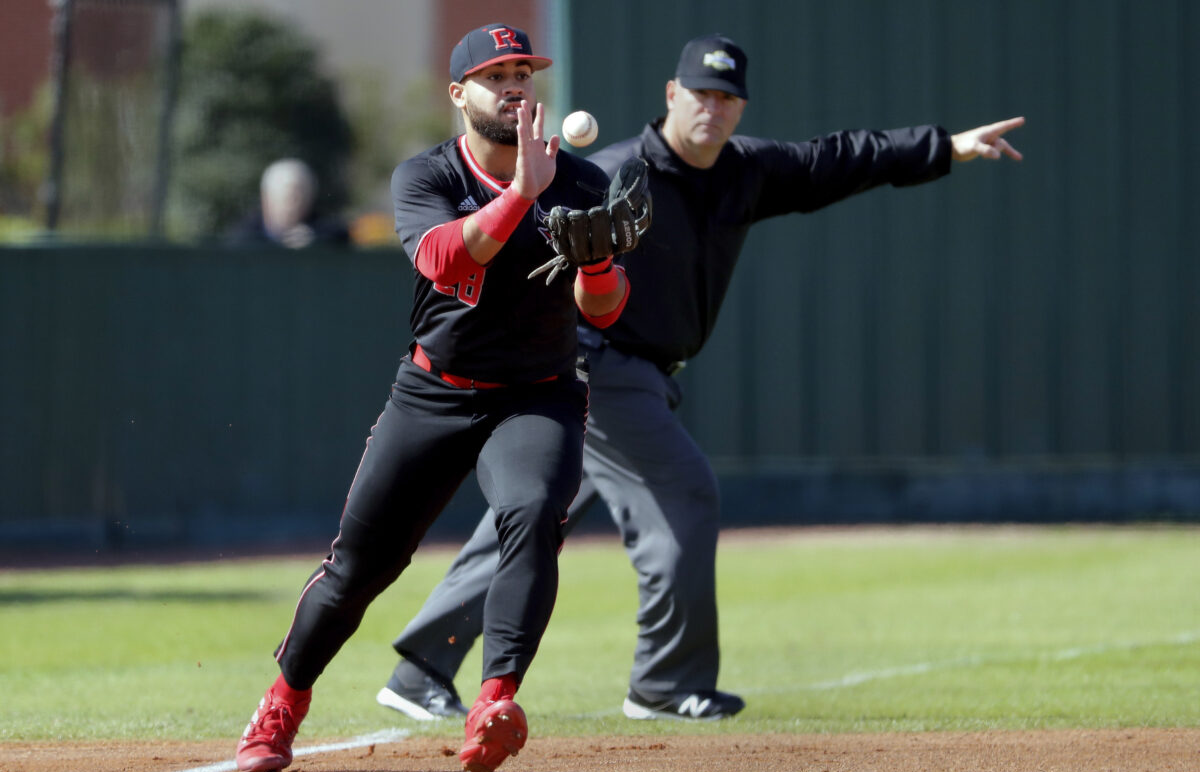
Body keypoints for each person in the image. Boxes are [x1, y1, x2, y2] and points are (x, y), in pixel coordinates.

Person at [375, 33, 1025, 723]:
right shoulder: (615, 172)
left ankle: (421, 668)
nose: (711, 109)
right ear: (671, 96)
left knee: (533, 522)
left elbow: (836, 160)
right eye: (700, 94)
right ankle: (663, 682)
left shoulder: (744, 170)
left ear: (739, 107)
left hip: (638, 371)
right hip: (597, 362)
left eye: (726, 97)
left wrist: (945, 147)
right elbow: (523, 254)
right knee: (683, 492)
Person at [235, 22, 637, 772]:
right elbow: (445, 257)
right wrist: (524, 192)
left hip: (537, 395)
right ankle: (284, 699)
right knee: (360, 566)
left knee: (531, 513)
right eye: (496, 75)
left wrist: (601, 260)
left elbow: (607, 310)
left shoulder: (580, 182)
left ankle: (495, 699)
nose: (516, 85)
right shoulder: (425, 177)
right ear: (460, 95)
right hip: (436, 392)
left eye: (524, 71)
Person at [225, 158, 350, 248]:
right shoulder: (246, 235)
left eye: (303, 196)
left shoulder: (321, 227)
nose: (295, 205)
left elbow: (342, 236)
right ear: (267, 199)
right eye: (289, 197)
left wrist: (316, 240)